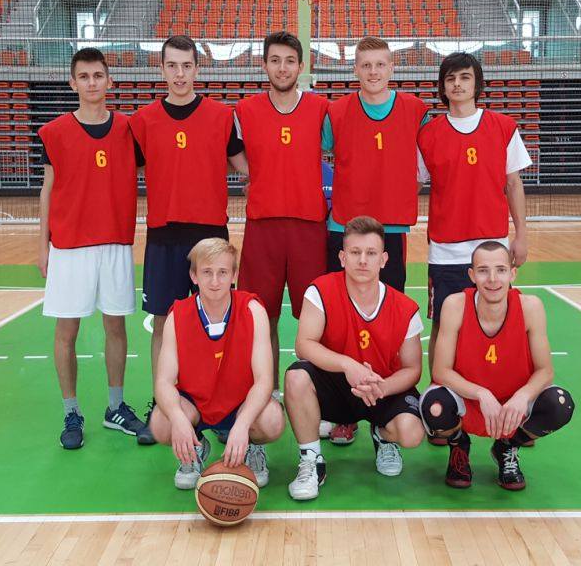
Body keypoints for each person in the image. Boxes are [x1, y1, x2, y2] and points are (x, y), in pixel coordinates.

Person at [130, 34, 247, 444]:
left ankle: (223, 406)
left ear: (198, 68)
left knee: (220, 322)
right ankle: (163, 406)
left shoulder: (221, 116)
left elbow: (246, 165)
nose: (179, 74)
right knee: (164, 323)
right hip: (164, 234)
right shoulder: (143, 121)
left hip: (209, 235)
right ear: (161, 69)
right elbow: (128, 169)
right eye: (172, 66)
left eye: (186, 66)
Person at [37, 47, 149, 450]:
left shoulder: (130, 130)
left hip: (115, 241)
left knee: (116, 326)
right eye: (83, 76)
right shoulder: (54, 132)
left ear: (109, 81)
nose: (91, 83)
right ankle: (71, 411)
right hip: (70, 246)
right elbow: (48, 189)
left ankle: (115, 407)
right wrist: (43, 245)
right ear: (73, 83)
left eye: (98, 75)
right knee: (67, 330)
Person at [320, 36, 429, 445]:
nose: (373, 72)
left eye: (380, 64)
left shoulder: (415, 111)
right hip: (345, 228)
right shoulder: (336, 112)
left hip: (392, 230)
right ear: (355, 70)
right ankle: (344, 411)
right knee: (340, 325)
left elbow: (435, 157)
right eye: (365, 65)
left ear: (391, 68)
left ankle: (386, 411)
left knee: (389, 327)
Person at [283, 216, 425, 501]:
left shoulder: (405, 307)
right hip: (336, 385)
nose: (362, 260)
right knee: (296, 376)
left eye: (371, 253)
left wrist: (383, 387)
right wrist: (348, 365)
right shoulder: (320, 290)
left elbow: (413, 369)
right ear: (342, 257)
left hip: (380, 387)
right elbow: (304, 345)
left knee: (411, 433)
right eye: (355, 252)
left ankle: (382, 435)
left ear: (383, 259)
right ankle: (311, 459)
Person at [420, 242, 574, 491]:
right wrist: (481, 393)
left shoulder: (530, 307)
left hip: (512, 404)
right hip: (470, 401)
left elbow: (545, 370)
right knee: (434, 407)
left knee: (560, 404)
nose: (492, 279)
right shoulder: (455, 305)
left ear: (512, 274)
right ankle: (459, 446)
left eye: (501, 270)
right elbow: (440, 371)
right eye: (483, 270)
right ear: (472, 275)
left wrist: (522, 396)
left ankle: (507, 447)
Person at [417, 52, 531, 370]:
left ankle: (495, 383)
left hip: (492, 247)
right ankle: (438, 392)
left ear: (477, 84)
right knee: (443, 324)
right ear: (442, 86)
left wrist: (521, 236)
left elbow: (513, 183)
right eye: (450, 78)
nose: (457, 84)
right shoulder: (428, 134)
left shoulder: (503, 127)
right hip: (445, 250)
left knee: (496, 324)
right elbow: (413, 184)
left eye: (465, 77)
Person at [149, 238, 285, 489]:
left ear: (234, 275)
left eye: (222, 272)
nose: (214, 281)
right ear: (194, 276)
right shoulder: (178, 315)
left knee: (272, 419)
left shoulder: (252, 310)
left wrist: (243, 424)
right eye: (207, 272)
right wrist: (178, 419)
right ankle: (194, 448)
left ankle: (252, 447)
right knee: (160, 423)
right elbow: (164, 381)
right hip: (196, 404)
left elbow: (264, 380)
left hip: (240, 404)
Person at [235, 31, 329, 389]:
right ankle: (268, 393)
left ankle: (316, 394)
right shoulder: (245, 110)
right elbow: (229, 151)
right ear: (264, 65)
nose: (282, 67)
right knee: (262, 317)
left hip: (309, 227)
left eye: (290, 61)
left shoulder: (321, 109)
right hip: (263, 227)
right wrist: (255, 174)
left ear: (301, 66)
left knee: (315, 319)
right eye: (275, 60)